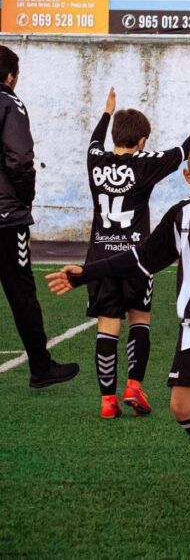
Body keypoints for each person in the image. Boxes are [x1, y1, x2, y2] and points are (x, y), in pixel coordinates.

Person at [47, 135, 190, 506]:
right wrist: (85, 274)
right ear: (188, 176)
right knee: (183, 407)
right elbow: (139, 257)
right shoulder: (180, 215)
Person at [86, 87, 190, 418]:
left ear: (114, 135)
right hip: (136, 258)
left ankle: (107, 401)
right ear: (142, 141)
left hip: (101, 258)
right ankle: (134, 385)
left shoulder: (94, 160)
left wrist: (106, 113)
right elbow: (182, 152)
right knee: (140, 319)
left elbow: (94, 140)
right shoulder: (144, 164)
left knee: (107, 325)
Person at [0, 45, 79, 388]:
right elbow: (19, 158)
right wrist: (25, 199)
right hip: (6, 217)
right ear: (11, 76)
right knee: (22, 293)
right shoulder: (10, 102)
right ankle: (41, 366)